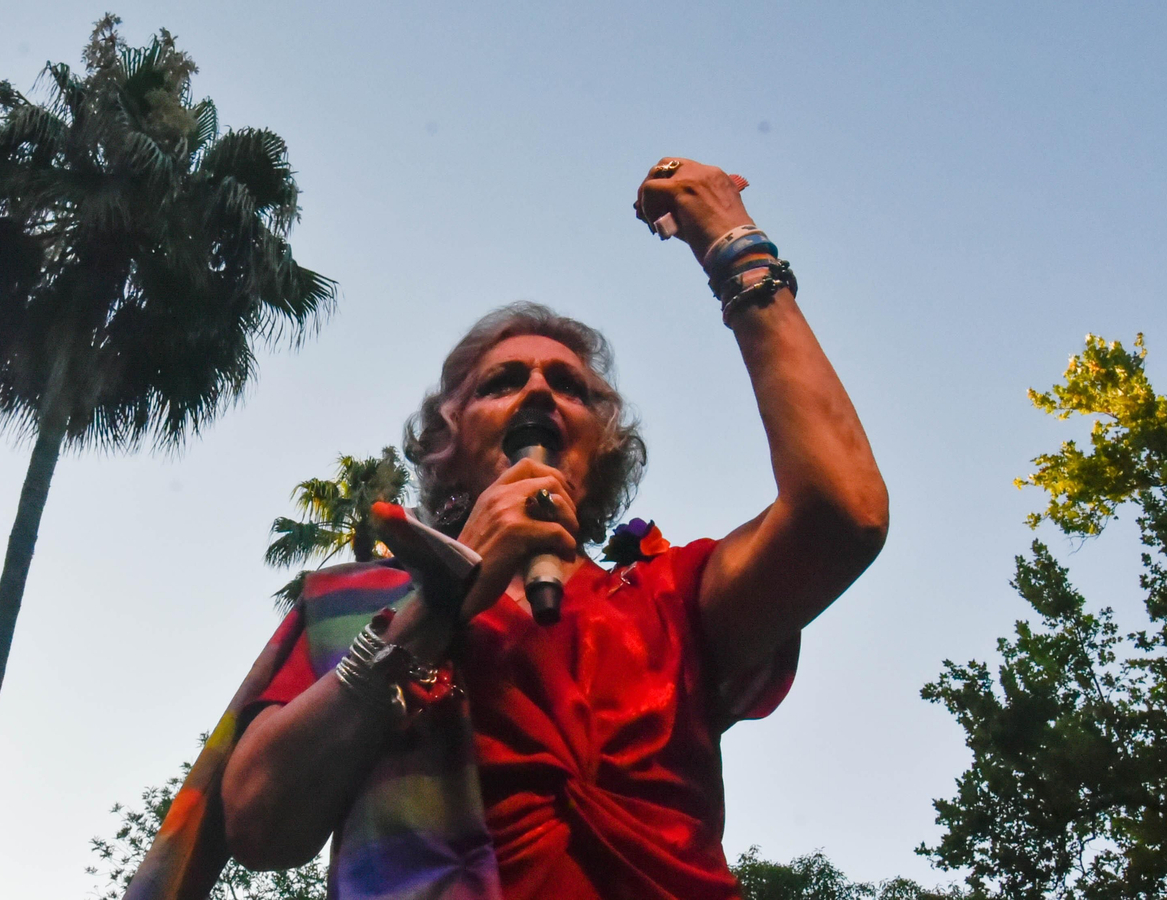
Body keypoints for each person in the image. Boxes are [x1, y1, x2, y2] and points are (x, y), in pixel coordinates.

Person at [219, 157, 889, 900]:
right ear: (447, 445)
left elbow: (844, 516)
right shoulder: (356, 605)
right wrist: (436, 609)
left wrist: (735, 245)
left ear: (604, 446)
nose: (538, 389)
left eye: (568, 386)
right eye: (504, 382)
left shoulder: (672, 599)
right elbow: (260, 826)